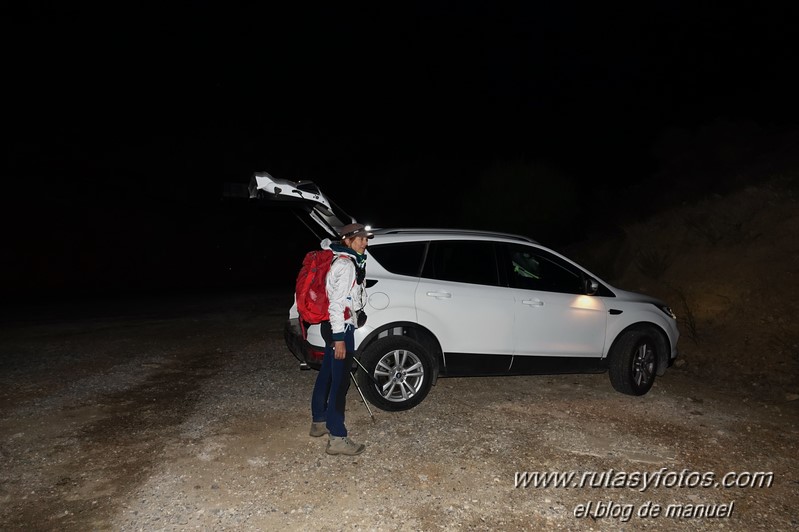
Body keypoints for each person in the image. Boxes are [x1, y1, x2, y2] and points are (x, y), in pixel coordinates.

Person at [310, 222, 372, 455]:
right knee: (340, 383)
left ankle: (319, 421)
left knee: (327, 373)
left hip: (333, 327)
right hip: (340, 330)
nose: (365, 243)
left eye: (366, 239)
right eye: (361, 239)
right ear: (347, 240)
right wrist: (339, 339)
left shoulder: (344, 260)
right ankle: (337, 436)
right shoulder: (346, 265)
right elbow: (337, 305)